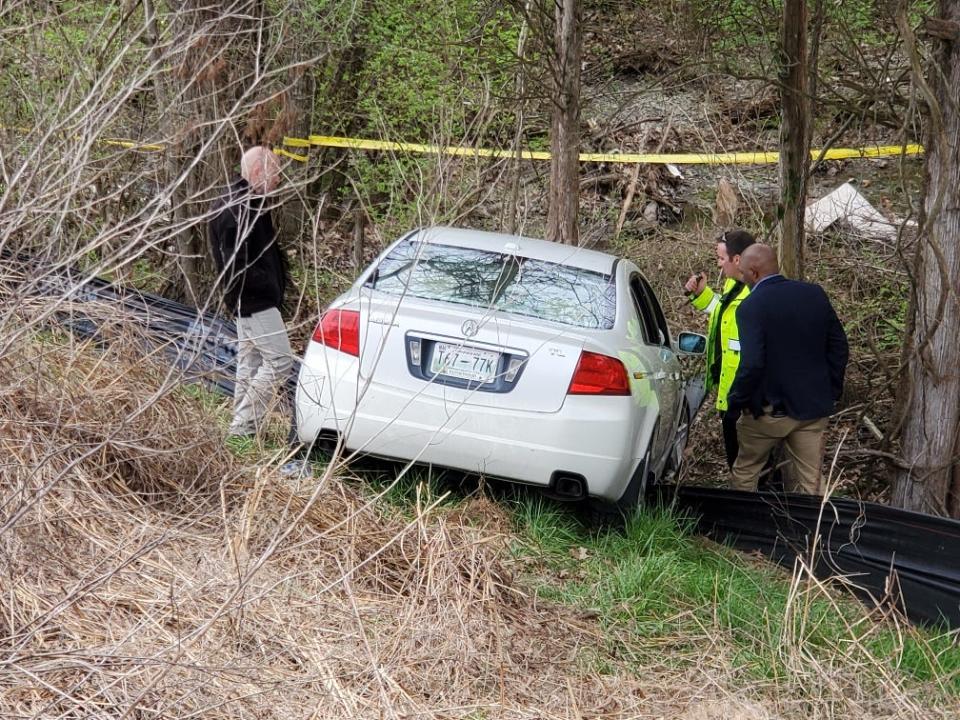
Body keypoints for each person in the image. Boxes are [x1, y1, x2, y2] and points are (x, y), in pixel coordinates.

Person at [726, 244, 849, 494]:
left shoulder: (751, 306)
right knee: (811, 480)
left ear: (754, 272)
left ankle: (741, 528)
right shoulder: (814, 294)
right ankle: (815, 531)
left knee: (747, 470)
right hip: (813, 408)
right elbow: (839, 347)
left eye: (744, 274)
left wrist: (736, 400)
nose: (743, 279)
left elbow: (752, 364)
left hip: (768, 413)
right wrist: (831, 389)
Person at [209, 145, 293, 439]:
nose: (279, 180)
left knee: (250, 362)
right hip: (254, 301)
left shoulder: (248, 202)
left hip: (250, 300)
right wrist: (267, 286)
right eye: (276, 173)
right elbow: (236, 267)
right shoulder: (237, 209)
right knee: (281, 362)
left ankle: (239, 429)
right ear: (258, 171)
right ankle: (244, 427)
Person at [683, 229, 756, 468]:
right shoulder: (732, 286)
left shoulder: (755, 295)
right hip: (729, 393)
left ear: (737, 260)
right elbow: (722, 312)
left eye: (721, 259)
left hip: (745, 399)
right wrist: (702, 294)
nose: (718, 265)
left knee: (746, 465)